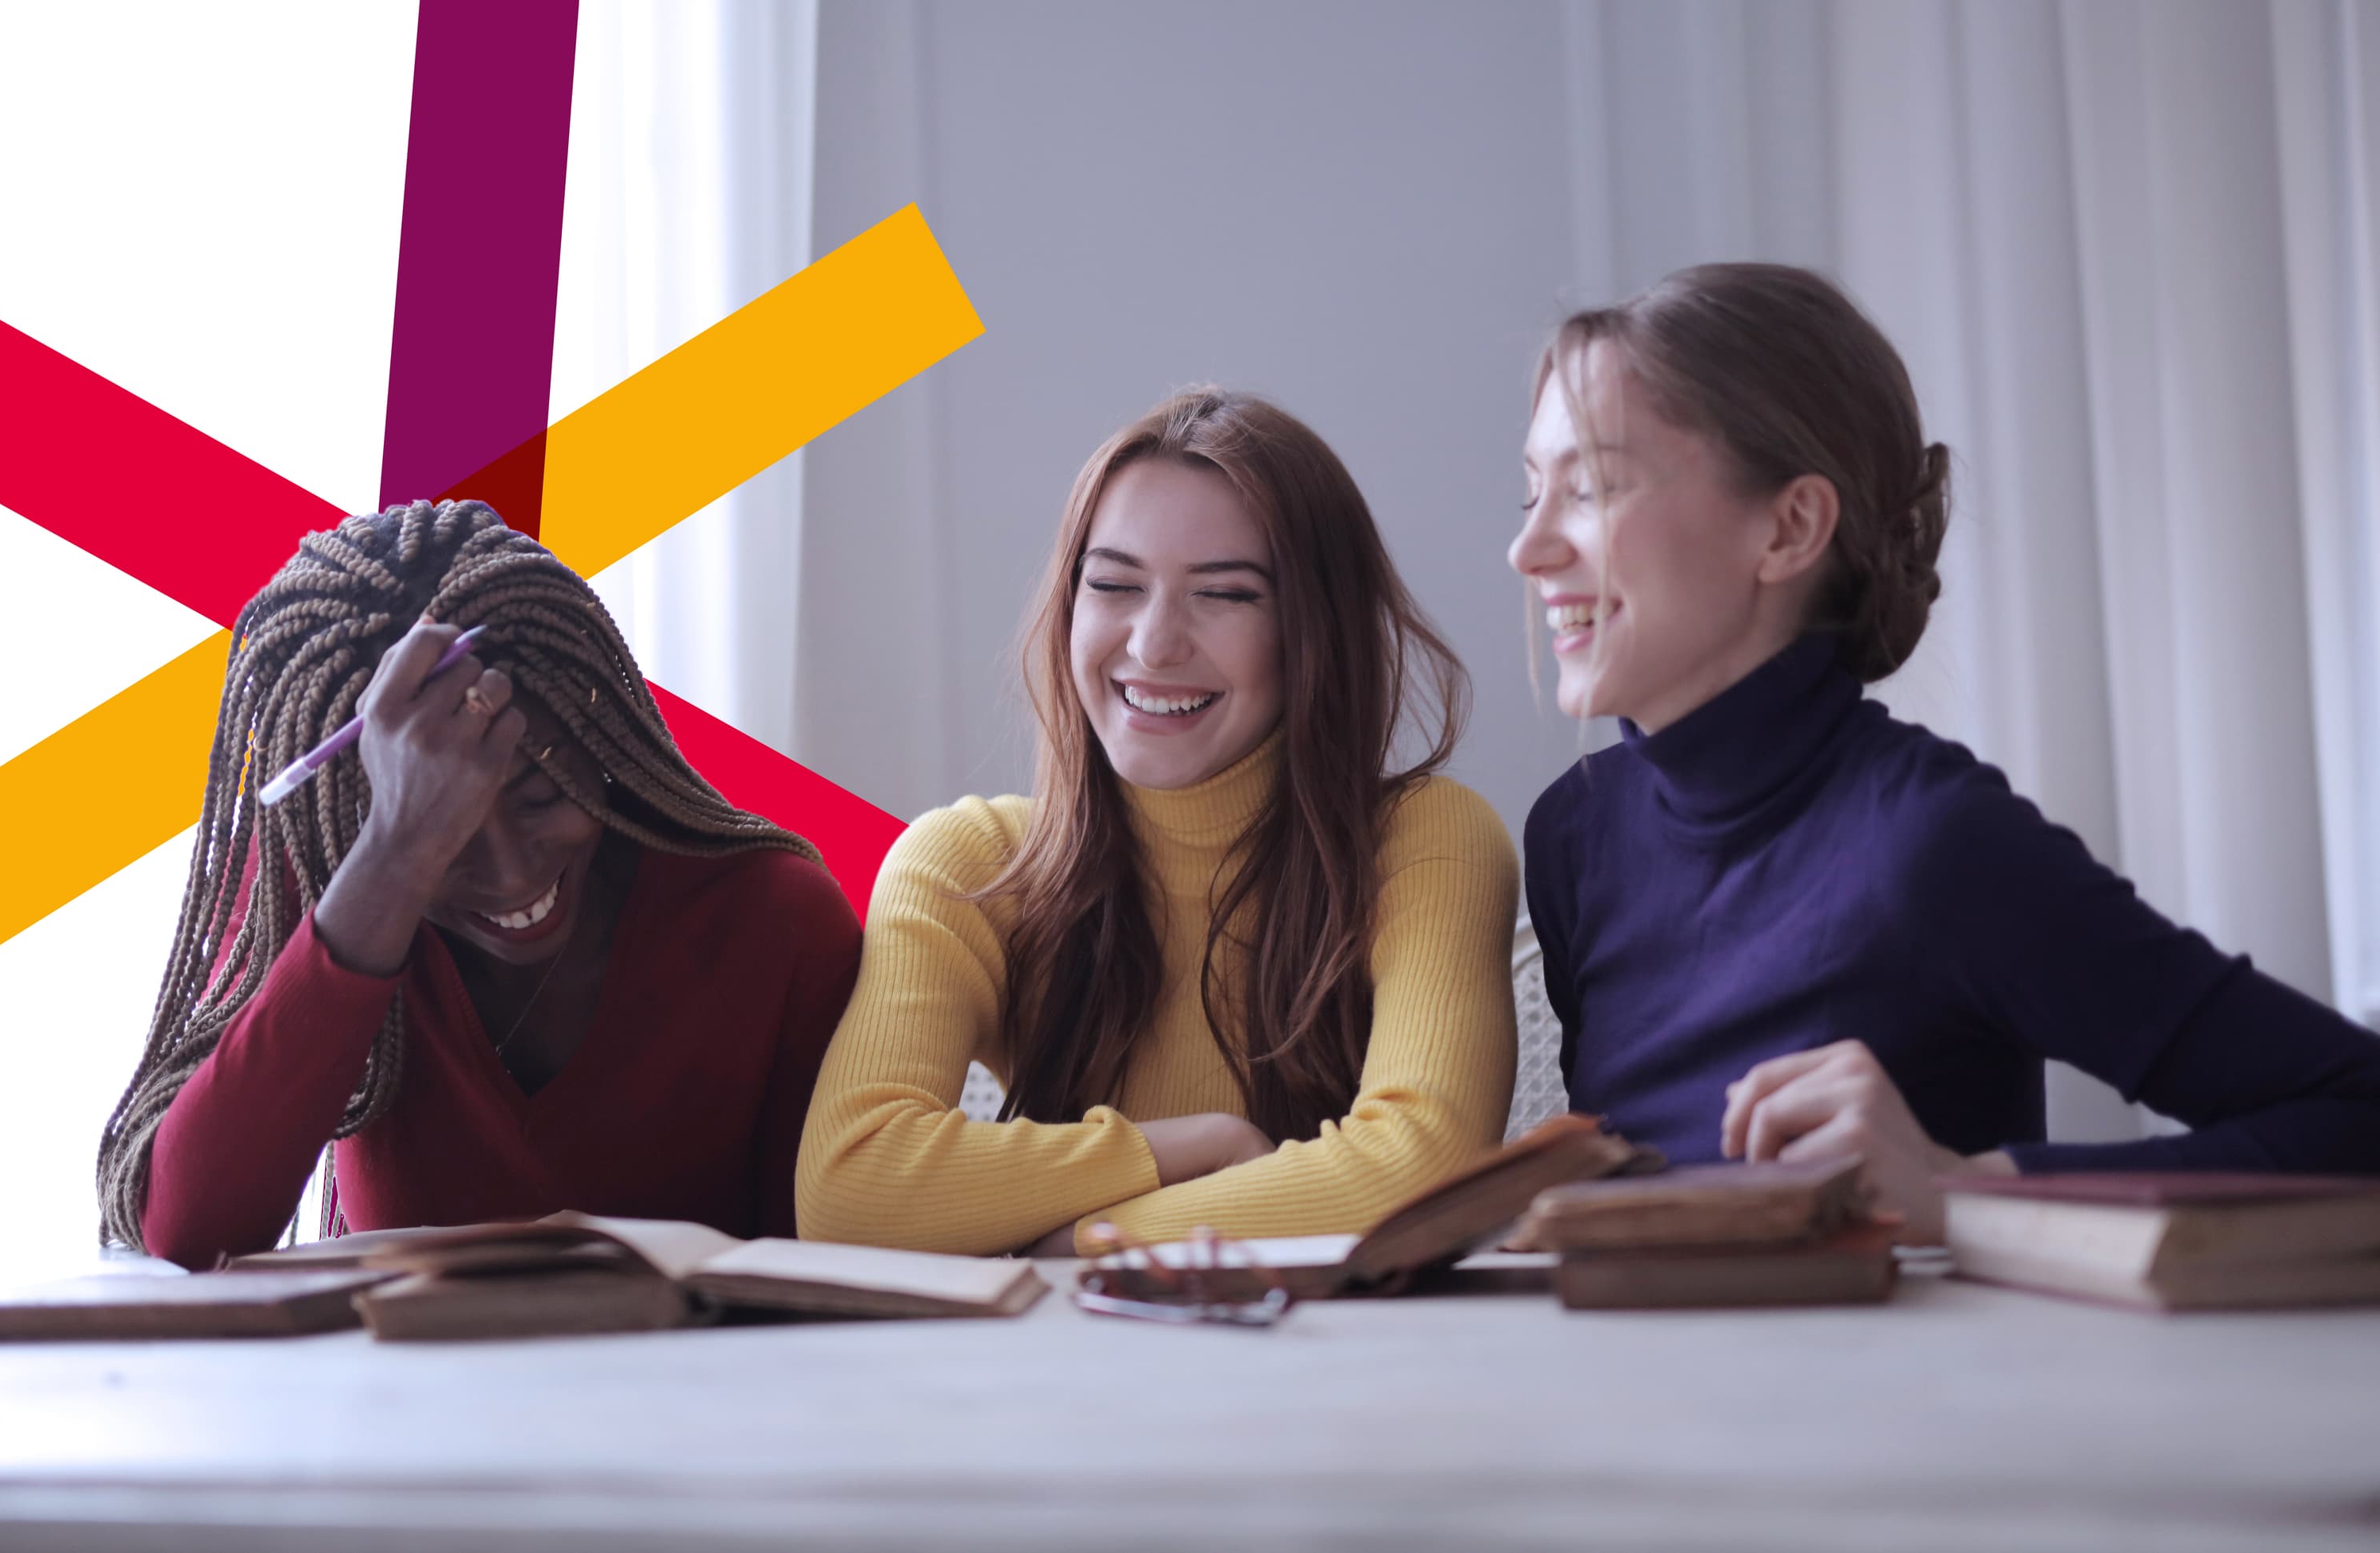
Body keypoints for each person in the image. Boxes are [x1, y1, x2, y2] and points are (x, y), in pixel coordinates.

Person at [1511, 262, 2380, 1241]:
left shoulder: (1933, 845)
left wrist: (1966, 1187)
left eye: (1589, 490)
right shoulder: (1576, 833)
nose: (1529, 550)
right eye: (1532, 493)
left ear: (1789, 526)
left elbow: (2358, 1109)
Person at [794, 387, 1519, 1256]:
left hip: (1338, 1370)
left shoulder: (1424, 840)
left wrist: (1075, 1243)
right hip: (1065, 1379)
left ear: (1312, 631)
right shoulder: (972, 864)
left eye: (1225, 594)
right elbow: (850, 1193)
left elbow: (1420, 1173)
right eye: (1113, 584)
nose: (1152, 643)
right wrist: (1183, 1147)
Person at [96, 500, 862, 1268]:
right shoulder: (325, 893)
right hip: (397, 1385)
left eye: (539, 797)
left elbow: (831, 1278)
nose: (509, 874)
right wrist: (393, 858)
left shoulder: (771, 919)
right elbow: (191, 1234)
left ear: (599, 739)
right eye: (443, 825)